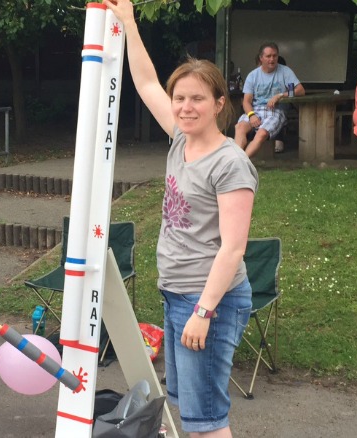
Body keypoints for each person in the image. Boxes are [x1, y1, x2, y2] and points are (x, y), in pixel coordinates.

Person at [105, 1, 258, 436]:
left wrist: (204, 312)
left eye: (197, 99)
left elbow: (232, 248)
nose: (185, 107)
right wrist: (130, 24)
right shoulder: (179, 140)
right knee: (192, 409)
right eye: (180, 98)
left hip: (210, 300)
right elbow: (147, 82)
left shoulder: (230, 164)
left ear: (219, 104)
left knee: (207, 420)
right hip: (178, 294)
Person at [234, 42, 305, 157]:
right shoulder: (253, 75)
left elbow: (300, 90)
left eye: (275, 56)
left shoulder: (285, 72)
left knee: (261, 134)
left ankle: (242, 163)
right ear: (261, 58)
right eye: (268, 56)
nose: (272, 59)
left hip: (276, 111)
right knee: (240, 127)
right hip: (255, 110)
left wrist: (280, 95)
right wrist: (251, 115)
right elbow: (246, 101)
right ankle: (237, 162)